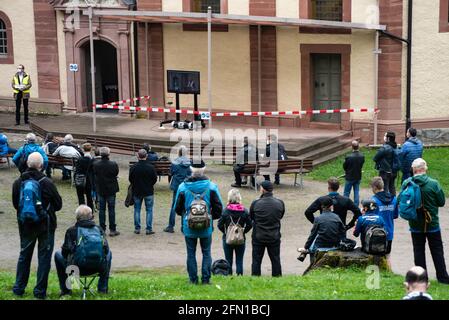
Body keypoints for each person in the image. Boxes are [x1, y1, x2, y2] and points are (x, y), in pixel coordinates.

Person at [11, 152, 62, 299]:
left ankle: (19, 288)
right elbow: (58, 205)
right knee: (44, 258)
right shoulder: (47, 182)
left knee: (24, 256)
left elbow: (16, 204)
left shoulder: (18, 182)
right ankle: (39, 291)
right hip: (46, 225)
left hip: (26, 225)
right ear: (41, 165)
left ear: (27, 163)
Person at [175, 160, 223, 284]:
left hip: (188, 225)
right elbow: (219, 207)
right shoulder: (211, 186)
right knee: (206, 253)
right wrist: (211, 217)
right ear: (203, 170)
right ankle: (206, 279)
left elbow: (177, 208)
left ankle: (193, 279)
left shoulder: (182, 187)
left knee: (191, 253)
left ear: (191, 169)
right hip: (206, 226)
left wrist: (186, 215)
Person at [407, 158, 449, 284]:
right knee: (437, 250)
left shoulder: (407, 183)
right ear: (424, 168)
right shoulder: (433, 183)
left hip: (415, 223)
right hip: (432, 223)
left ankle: (421, 279)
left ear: (414, 170)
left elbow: (401, 201)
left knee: (418, 251)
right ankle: (442, 277)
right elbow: (441, 202)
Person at [54, 205, 112, 296]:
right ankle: (102, 289)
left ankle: (66, 290)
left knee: (57, 254)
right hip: (98, 267)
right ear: (91, 217)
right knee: (109, 254)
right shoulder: (99, 230)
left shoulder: (71, 231)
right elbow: (106, 250)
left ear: (77, 218)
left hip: (76, 269)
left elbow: (64, 253)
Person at [250, 180, 285, 277]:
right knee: (275, 259)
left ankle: (255, 278)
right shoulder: (280, 203)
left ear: (262, 189)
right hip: (274, 235)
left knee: (256, 260)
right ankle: (277, 278)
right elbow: (280, 216)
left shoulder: (256, 203)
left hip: (258, 236)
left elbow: (252, 217)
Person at [217, 189, 252, 275]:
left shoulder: (226, 211)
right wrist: (243, 232)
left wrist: (226, 232)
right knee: (239, 260)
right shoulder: (244, 211)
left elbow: (219, 225)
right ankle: (239, 276)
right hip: (240, 238)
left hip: (227, 238)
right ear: (239, 197)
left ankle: (229, 276)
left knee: (228, 260)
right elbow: (250, 224)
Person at [302, 196, 346, 262]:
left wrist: (306, 247)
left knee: (312, 245)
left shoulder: (318, 219)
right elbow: (342, 231)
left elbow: (312, 235)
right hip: (334, 245)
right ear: (331, 207)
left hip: (320, 245)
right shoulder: (337, 217)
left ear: (322, 207)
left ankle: (312, 264)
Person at [129, 149, 158, 235]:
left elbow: (130, 179)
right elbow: (154, 179)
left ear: (138, 156)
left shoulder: (133, 167)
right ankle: (148, 229)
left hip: (137, 191)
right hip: (148, 191)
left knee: (137, 209)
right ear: (146, 156)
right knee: (149, 210)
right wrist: (149, 185)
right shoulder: (151, 167)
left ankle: (137, 228)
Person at [93, 147, 120, 237]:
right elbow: (116, 173)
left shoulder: (96, 164)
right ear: (108, 154)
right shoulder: (113, 164)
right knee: (111, 209)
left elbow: (95, 174)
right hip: (111, 189)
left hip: (101, 189)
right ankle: (112, 229)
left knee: (102, 210)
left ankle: (102, 229)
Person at [164, 145, 191, 233]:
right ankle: (183, 227)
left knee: (174, 206)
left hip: (177, 186)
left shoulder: (175, 163)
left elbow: (170, 173)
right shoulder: (189, 163)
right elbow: (190, 175)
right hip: (186, 187)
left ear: (178, 153)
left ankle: (171, 226)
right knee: (184, 206)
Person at [371, 176, 398, 256]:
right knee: (387, 255)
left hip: (376, 233)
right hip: (389, 232)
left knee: (375, 256)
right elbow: (395, 215)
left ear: (374, 187)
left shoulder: (373, 200)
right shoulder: (394, 199)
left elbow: (371, 217)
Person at [373, 131, 399, 195]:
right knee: (392, 187)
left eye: (385, 136)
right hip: (394, 171)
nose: (384, 137)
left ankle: (385, 202)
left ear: (388, 138)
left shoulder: (384, 148)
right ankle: (394, 202)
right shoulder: (395, 146)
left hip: (385, 172)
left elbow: (375, 158)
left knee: (384, 188)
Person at [343, 140, 365, 206]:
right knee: (356, 192)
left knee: (346, 192)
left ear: (352, 147)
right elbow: (361, 165)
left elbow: (344, 166)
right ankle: (356, 206)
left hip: (349, 177)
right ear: (358, 146)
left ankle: (344, 205)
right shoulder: (362, 156)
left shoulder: (348, 157)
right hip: (358, 176)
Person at [74, 143, 95, 210]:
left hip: (80, 179)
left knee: (80, 196)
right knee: (89, 197)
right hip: (89, 180)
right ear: (91, 149)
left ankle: (82, 210)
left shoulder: (80, 159)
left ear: (83, 149)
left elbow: (76, 170)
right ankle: (90, 211)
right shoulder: (92, 160)